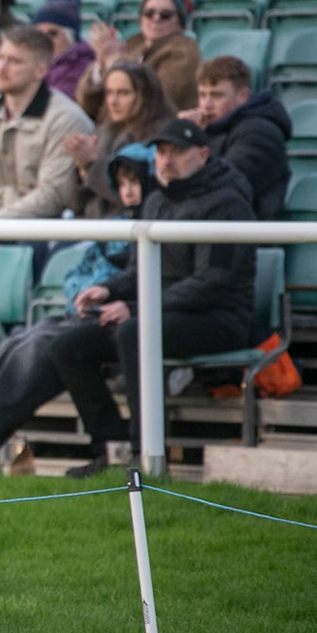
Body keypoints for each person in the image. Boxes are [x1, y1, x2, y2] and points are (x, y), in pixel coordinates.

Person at [0, 144, 161, 469]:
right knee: (20, 338)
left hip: (127, 316)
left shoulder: (159, 222)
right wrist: (84, 292)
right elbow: (82, 272)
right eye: (123, 182)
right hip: (95, 314)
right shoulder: (117, 224)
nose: (128, 190)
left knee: (44, 345)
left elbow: (154, 278)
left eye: (136, 181)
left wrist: (117, 298)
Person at [48, 118, 257, 473]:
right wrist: (108, 290)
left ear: (203, 154)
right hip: (161, 311)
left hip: (220, 318)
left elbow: (210, 284)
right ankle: (110, 448)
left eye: (177, 152)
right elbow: (139, 269)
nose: (166, 160)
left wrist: (135, 308)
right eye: (161, 152)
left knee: (133, 332)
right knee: (67, 345)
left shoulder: (227, 203)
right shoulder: (158, 200)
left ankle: (143, 455)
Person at [0, 25, 95, 218]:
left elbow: (53, 196)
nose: (2, 68)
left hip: (45, 232)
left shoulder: (66, 120)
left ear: (40, 71)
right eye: (1, 58)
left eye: (15, 61)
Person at [187, 54, 294, 219]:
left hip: (247, 233)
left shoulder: (261, 132)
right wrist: (183, 135)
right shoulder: (206, 130)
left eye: (216, 95)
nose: (206, 105)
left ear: (243, 96)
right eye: (202, 95)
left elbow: (228, 181)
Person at [64, 60, 174, 217]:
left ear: (144, 95)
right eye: (109, 92)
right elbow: (72, 202)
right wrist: (80, 168)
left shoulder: (161, 138)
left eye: (123, 93)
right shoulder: (102, 133)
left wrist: (92, 165)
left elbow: (133, 197)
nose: (113, 101)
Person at [78, 0, 202, 112]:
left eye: (165, 15)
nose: (156, 18)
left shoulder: (185, 52)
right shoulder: (132, 45)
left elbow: (155, 102)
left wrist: (114, 60)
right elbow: (88, 105)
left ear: (180, 22)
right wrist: (101, 63)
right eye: (149, 13)